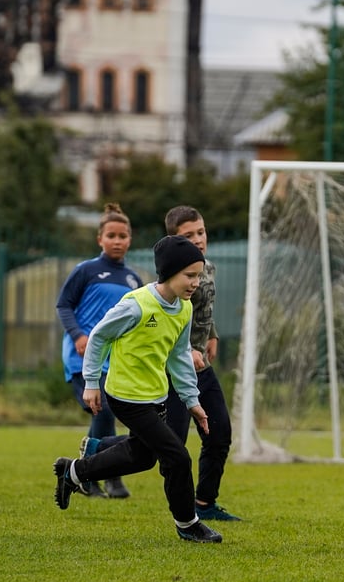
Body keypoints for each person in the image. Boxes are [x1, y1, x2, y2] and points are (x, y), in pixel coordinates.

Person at [52, 235, 223, 544]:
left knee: (142, 457)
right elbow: (99, 337)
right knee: (178, 457)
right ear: (169, 273)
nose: (196, 282)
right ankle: (188, 523)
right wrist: (92, 383)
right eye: (190, 275)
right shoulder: (136, 306)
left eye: (198, 275)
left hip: (154, 394)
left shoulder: (183, 309)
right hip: (126, 396)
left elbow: (179, 356)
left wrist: (191, 401)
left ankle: (74, 472)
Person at [55, 203, 142, 499]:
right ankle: (105, 477)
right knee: (102, 409)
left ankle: (87, 474)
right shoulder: (86, 270)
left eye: (123, 236)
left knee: (110, 414)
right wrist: (78, 335)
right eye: (111, 235)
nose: (117, 241)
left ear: (130, 239)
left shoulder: (133, 280)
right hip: (82, 358)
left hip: (114, 361)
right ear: (100, 239)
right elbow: (64, 305)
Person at [161, 204, 241, 521]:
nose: (198, 239)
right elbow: (171, 318)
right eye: (188, 235)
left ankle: (204, 505)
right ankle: (98, 451)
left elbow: (201, 310)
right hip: (175, 366)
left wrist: (212, 335)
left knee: (219, 433)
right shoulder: (171, 276)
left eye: (201, 232)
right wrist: (186, 350)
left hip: (201, 365)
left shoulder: (208, 267)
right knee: (168, 444)